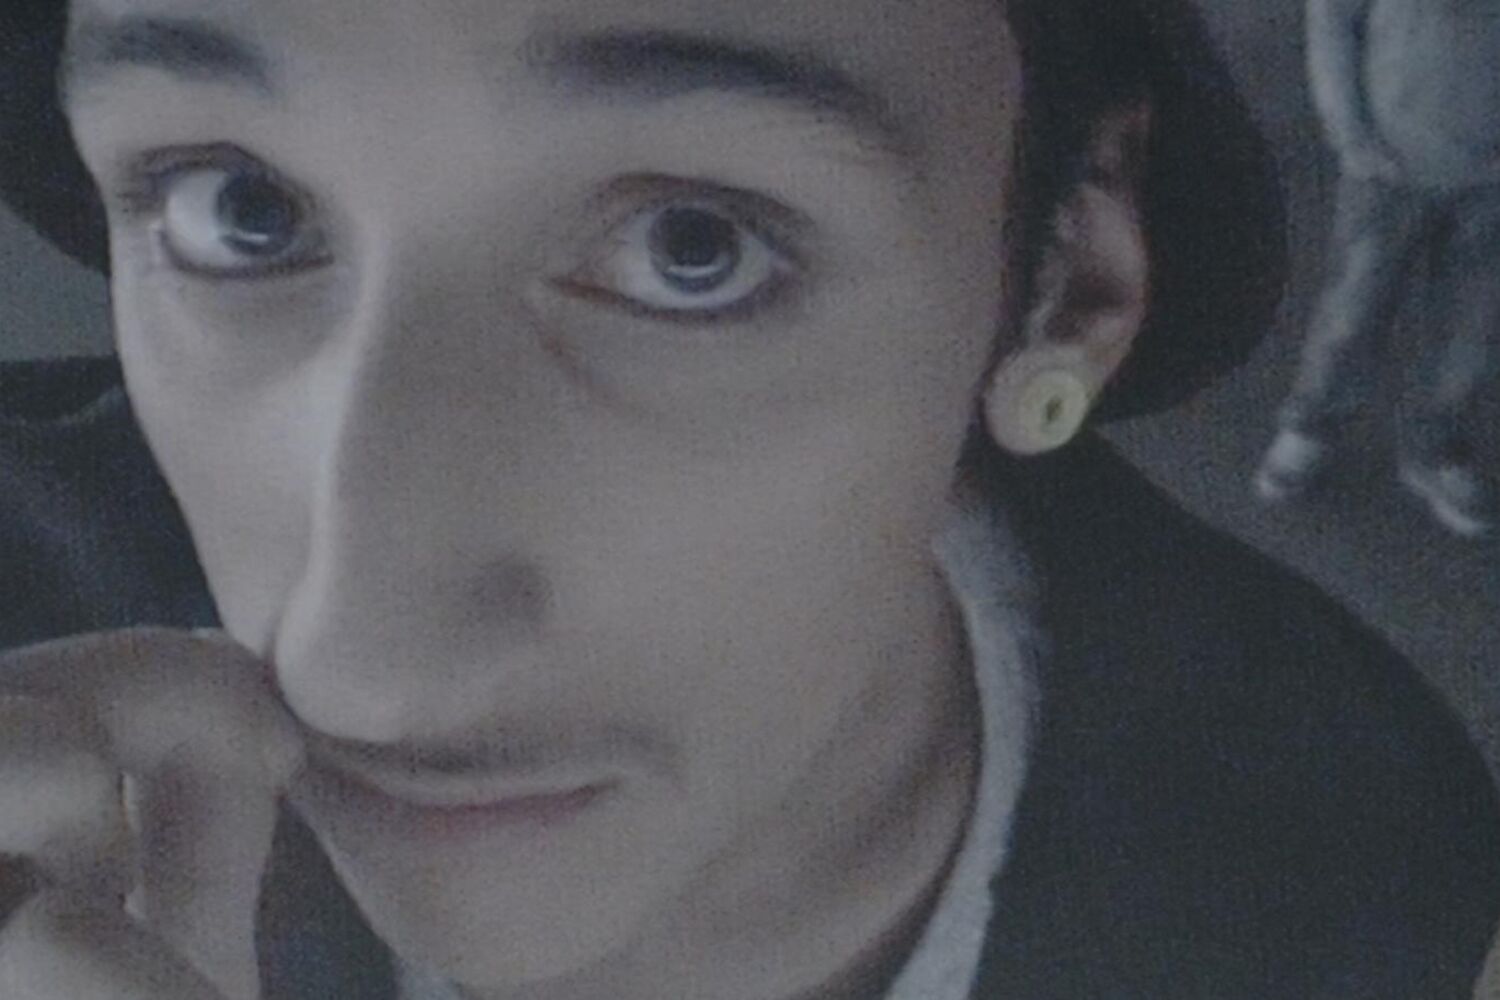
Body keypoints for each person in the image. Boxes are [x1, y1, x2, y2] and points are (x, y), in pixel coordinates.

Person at [1, 1, 1498, 998]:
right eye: (240, 210)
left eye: (693, 248)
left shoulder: (1360, 880)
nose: (362, 664)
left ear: (1064, 288)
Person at [1253, 0, 1500, 538]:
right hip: (1387, 164)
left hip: (1490, 183)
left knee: (1473, 330)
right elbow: (1332, 20)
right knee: (1353, 309)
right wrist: (1350, 133)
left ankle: (1435, 445)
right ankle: (1312, 425)